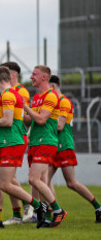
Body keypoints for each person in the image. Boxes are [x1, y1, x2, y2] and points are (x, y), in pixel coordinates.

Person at [0, 66, 45, 229]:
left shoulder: (7, 95)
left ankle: (39, 206)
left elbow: (7, 122)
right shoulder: (9, 95)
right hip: (3, 142)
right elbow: (4, 123)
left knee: (5, 184)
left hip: (12, 142)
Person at [47, 75, 101, 224]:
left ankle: (98, 207)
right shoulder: (52, 103)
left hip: (63, 145)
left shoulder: (63, 102)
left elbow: (60, 126)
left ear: (52, 87)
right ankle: (54, 212)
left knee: (71, 183)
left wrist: (43, 123)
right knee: (43, 181)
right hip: (53, 145)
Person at [23, 65, 66, 228]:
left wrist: (25, 107)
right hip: (35, 141)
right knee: (41, 180)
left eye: (34, 74)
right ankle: (46, 214)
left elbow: (41, 120)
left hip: (46, 141)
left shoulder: (51, 96)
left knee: (33, 179)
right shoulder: (38, 97)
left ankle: (57, 210)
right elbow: (31, 120)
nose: (31, 77)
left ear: (44, 77)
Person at [0, 61, 33, 224]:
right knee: (0, 181)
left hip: (13, 138)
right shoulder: (8, 94)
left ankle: (38, 206)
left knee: (8, 182)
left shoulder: (17, 92)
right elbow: (7, 117)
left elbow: (20, 119)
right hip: (6, 139)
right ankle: (17, 214)